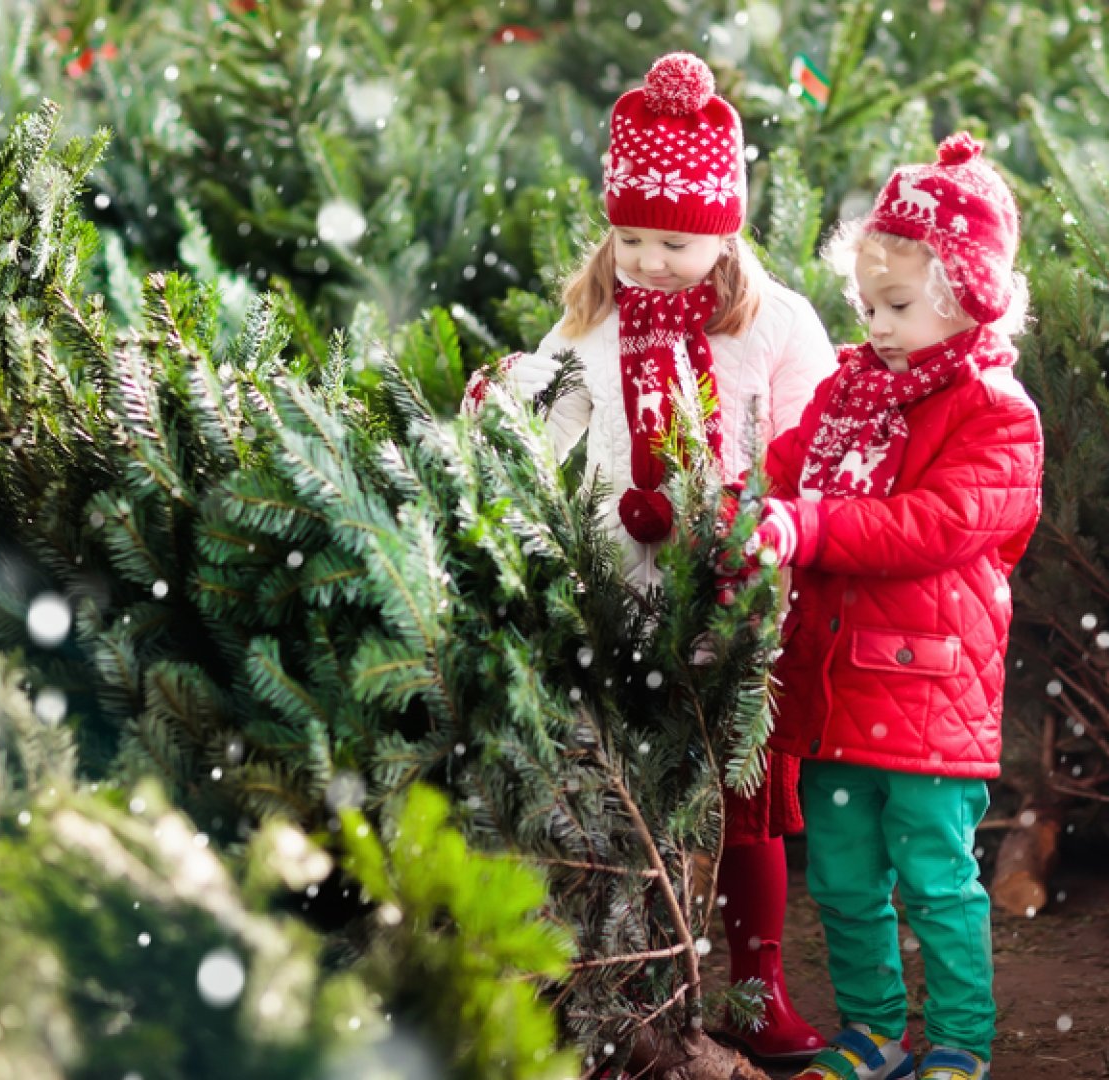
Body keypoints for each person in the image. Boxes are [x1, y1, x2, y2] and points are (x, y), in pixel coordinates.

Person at [495, 52, 838, 1064]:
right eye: (632, 235)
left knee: (744, 806)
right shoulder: (593, 316)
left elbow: (815, 441)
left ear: (725, 229)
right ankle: (631, 983)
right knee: (624, 797)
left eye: (675, 241)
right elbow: (554, 416)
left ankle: (758, 981)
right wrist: (514, 398)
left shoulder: (773, 324)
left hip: (729, 602)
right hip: (616, 593)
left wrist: (757, 527)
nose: (648, 258)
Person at [726, 133, 1043, 1080]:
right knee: (844, 881)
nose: (876, 324)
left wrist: (810, 527)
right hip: (830, 688)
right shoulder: (848, 395)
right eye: (866, 304)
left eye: (898, 305)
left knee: (938, 881)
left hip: (928, 692)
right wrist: (739, 512)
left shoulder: (996, 412)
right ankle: (871, 1033)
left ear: (967, 296)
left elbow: (934, 526)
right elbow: (783, 473)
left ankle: (958, 1043)